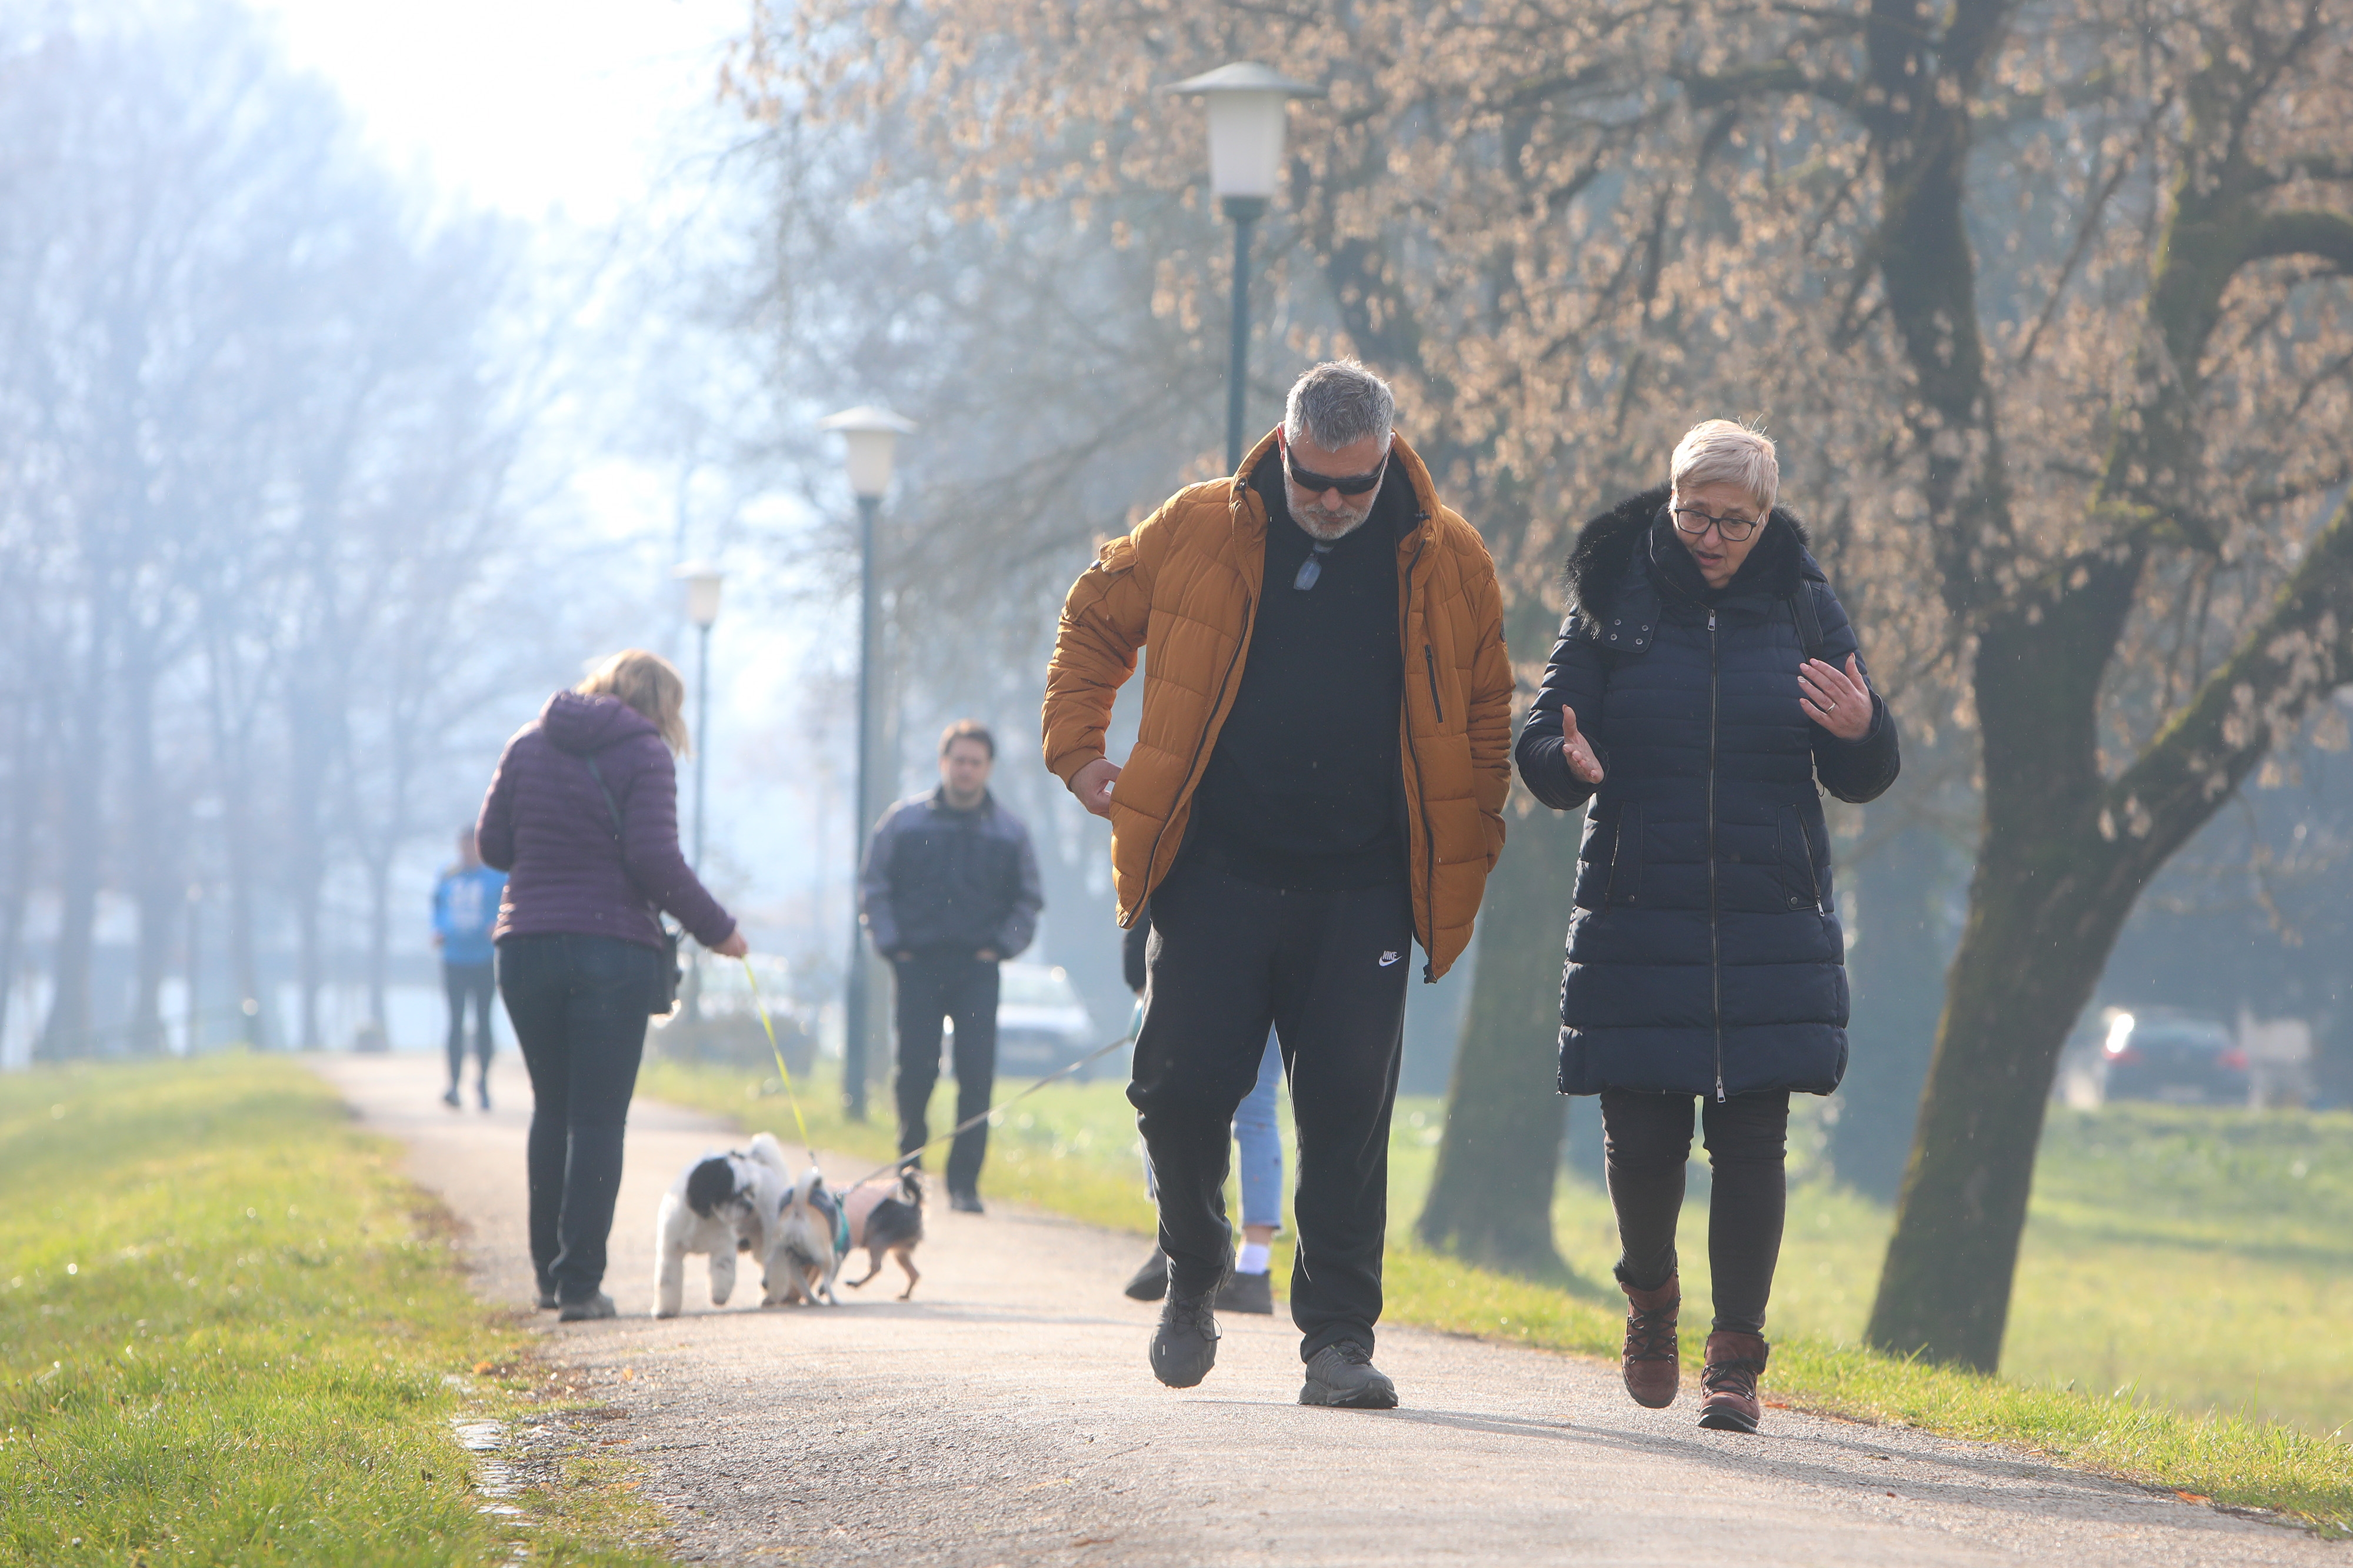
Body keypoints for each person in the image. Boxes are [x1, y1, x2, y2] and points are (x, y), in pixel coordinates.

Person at [1043, 360, 1512, 1409]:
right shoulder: (1198, 525)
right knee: (1175, 1089)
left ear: (1386, 460)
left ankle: (1339, 1341)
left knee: (1347, 1112)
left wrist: (1471, 837)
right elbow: (1095, 619)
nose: (1332, 503)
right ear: (1285, 448)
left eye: (1356, 484)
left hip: (1365, 886)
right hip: (1215, 870)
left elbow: (1488, 710)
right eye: (1313, 481)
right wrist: (1079, 753)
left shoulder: (1450, 558)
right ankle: (1194, 1263)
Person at [1516, 420, 1900, 1433]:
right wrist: (1565, 764)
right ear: (1671, 500)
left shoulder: (1803, 602)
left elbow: (1864, 759)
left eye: (1735, 520)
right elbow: (1544, 732)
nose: (1713, 538)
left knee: (1752, 1138)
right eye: (1696, 515)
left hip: (1768, 913)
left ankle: (1736, 1358)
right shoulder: (1615, 595)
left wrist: (1865, 732)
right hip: (1642, 908)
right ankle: (1651, 1298)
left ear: (1767, 517)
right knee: (1643, 1138)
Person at [476, 649, 747, 1322]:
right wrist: (718, 928)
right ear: (663, 706)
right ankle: (579, 1284)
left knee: (552, 1109)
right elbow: (653, 857)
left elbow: (493, 846)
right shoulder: (645, 752)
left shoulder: (526, 742)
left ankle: (548, 1277)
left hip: (525, 947)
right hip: (610, 951)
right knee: (597, 1119)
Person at [860, 719, 1043, 1215]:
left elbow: (1028, 901)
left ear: (988, 768)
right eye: (958, 760)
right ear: (943, 763)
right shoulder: (902, 823)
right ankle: (909, 1173)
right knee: (914, 1073)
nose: (965, 770)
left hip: (978, 970)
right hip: (916, 966)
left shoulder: (1011, 832)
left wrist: (1001, 947)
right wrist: (893, 946)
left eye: (975, 762)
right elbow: (874, 887)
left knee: (977, 1077)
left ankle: (965, 1184)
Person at [1118, 906, 1284, 1316]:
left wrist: (1142, 975)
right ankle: (1249, 1265)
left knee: (1166, 1098)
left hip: (1198, 961)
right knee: (1254, 1113)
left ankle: (1179, 1240)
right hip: (1276, 953)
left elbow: (1144, 881)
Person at [433, 827, 506, 1111]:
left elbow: (507, 906)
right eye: (464, 847)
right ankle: (453, 1085)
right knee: (455, 1022)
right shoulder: (447, 876)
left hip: (484, 959)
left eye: (472, 847)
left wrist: (499, 924)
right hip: (454, 959)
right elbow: (437, 908)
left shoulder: (497, 877)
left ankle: (484, 1083)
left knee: (484, 1022)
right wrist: (438, 931)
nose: (468, 853)